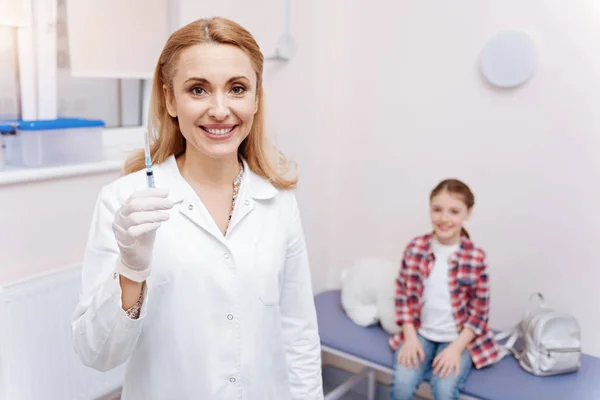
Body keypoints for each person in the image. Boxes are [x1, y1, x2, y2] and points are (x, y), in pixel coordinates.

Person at [71, 17, 323, 400]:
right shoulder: (124, 202)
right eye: (198, 89)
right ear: (170, 100)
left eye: (237, 88)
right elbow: (97, 353)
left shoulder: (279, 203)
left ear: (256, 98)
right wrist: (130, 271)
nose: (220, 110)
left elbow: (298, 332)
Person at [389, 179, 500, 400]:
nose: (444, 218)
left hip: (458, 338)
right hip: (421, 333)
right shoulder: (415, 248)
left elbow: (479, 315)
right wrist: (410, 337)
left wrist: (456, 349)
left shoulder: (476, 258)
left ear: (468, 213)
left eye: (454, 211)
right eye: (437, 210)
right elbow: (402, 297)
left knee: (444, 389)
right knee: (402, 385)